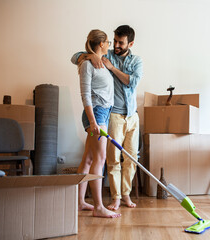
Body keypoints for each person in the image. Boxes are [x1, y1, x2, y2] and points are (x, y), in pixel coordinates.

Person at [71, 25, 143, 210]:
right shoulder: (100, 58)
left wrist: (111, 67)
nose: (116, 45)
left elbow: (132, 82)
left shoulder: (132, 61)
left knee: (119, 158)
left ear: (130, 43)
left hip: (129, 114)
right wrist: (89, 55)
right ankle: (105, 203)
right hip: (108, 115)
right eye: (113, 41)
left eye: (120, 42)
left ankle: (84, 201)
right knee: (105, 159)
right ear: (103, 44)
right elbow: (76, 57)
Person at [76, 29, 120, 218]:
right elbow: (85, 95)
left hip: (104, 113)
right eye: (108, 42)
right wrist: (93, 122)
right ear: (101, 44)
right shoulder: (87, 64)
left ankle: (80, 202)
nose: (110, 45)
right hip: (96, 114)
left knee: (88, 158)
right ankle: (99, 207)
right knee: (100, 159)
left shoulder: (101, 62)